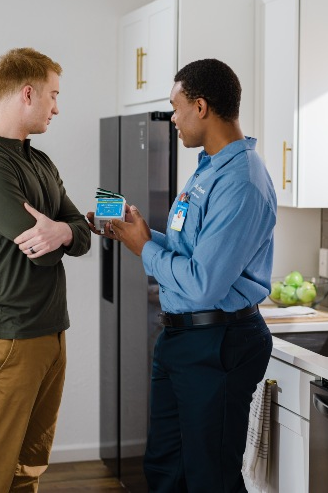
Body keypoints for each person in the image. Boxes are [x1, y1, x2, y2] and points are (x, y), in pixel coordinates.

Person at [87, 58, 277, 492]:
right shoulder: (209, 169)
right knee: (165, 472)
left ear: (202, 106)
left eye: (176, 107)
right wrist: (140, 232)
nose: (173, 118)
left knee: (210, 479)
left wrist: (144, 248)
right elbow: (191, 250)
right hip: (180, 339)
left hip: (218, 345)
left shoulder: (243, 182)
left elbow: (202, 283)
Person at [0, 47, 91, 492]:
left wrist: (65, 231)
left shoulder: (40, 161)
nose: (57, 106)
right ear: (27, 93)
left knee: (29, 466)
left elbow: (81, 235)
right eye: (53, 94)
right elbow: (44, 250)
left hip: (50, 331)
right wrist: (61, 234)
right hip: (9, 338)